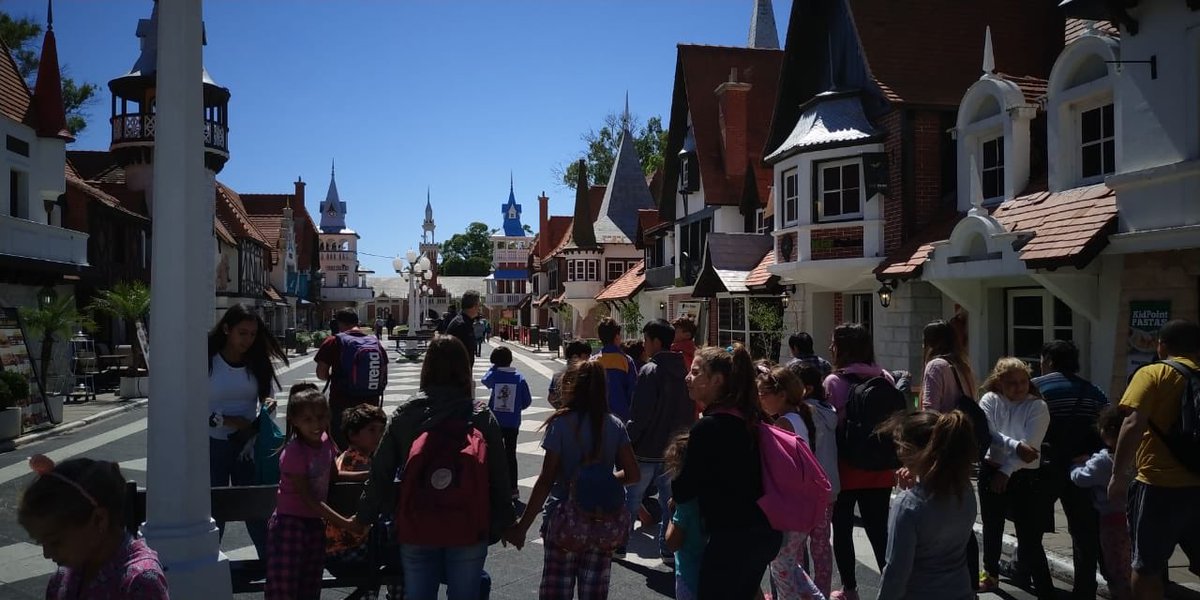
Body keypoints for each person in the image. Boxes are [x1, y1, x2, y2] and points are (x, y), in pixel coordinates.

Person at [354, 335, 514, 600]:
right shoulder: (481, 415)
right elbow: (500, 477)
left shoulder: (406, 414)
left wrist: (363, 518)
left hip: (417, 523)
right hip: (468, 523)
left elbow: (379, 474)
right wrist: (507, 523)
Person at [505, 359, 641, 598]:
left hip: (563, 520)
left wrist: (522, 527)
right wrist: (603, 481)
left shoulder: (561, 424)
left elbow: (546, 480)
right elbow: (633, 474)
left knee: (556, 590)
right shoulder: (614, 425)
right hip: (601, 521)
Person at [673, 345, 783, 599]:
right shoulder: (753, 420)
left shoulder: (708, 427)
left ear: (717, 380)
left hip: (731, 539)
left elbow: (683, 489)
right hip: (764, 533)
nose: (688, 377)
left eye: (696, 372)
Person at [1107, 319, 1200, 600]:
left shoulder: (1153, 373)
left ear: (1161, 345)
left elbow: (1132, 424)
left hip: (1158, 486)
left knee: (1147, 567)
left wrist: (1117, 475)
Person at [19, 455, 169, 599]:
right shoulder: (62, 578)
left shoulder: (139, 583)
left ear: (99, 519)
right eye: (41, 542)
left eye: (55, 541)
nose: (47, 553)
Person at [207, 303, 286, 557]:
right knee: (214, 507)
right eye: (243, 333)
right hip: (213, 443)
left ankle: (269, 562)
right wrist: (228, 421)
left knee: (256, 507)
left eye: (252, 334)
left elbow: (267, 398)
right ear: (227, 329)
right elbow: (190, 404)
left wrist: (267, 406)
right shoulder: (207, 360)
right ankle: (208, 560)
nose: (248, 340)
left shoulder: (258, 362)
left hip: (249, 444)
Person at [1032, 339, 1109, 599]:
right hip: (1081, 469)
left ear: (1049, 361)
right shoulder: (1093, 391)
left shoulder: (1037, 388)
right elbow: (1107, 425)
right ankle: (1084, 590)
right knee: (1084, 532)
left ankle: (1039, 583)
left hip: (1045, 467)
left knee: (1030, 527)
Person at [824, 323, 895, 600]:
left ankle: (850, 590)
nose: (830, 348)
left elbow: (831, 426)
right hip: (880, 467)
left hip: (846, 468)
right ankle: (891, 587)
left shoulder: (834, 382)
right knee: (880, 532)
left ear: (842, 348)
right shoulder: (885, 378)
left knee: (842, 531)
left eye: (834, 343)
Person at [875, 411, 979, 600]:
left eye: (900, 446)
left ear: (915, 451)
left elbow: (896, 573)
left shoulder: (908, 506)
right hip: (961, 591)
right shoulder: (965, 490)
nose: (898, 453)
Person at [267, 383, 354, 600]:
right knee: (284, 589)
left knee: (310, 586)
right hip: (290, 525)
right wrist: (346, 522)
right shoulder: (294, 452)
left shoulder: (326, 442)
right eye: (307, 419)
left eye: (321, 417)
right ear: (293, 421)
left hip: (314, 525)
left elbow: (333, 475)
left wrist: (367, 474)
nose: (316, 424)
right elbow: (310, 500)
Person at [977, 357, 1054, 599]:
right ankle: (990, 574)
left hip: (1025, 476)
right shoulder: (990, 400)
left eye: (1023, 381)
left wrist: (1006, 470)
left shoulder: (1037, 406)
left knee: (1029, 535)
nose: (1019, 387)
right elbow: (988, 432)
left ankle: (1044, 587)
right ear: (999, 382)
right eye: (1012, 383)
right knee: (992, 526)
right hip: (991, 468)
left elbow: (1031, 451)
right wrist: (1014, 445)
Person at [917, 319, 982, 590]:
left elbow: (930, 410)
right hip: (962, 444)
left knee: (938, 514)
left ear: (929, 342)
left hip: (941, 445)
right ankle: (969, 580)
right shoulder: (962, 366)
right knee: (960, 516)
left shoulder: (936, 366)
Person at [624, 318, 694, 563]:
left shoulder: (650, 370)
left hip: (646, 449)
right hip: (673, 450)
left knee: (631, 499)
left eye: (646, 340)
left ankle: (619, 544)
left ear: (655, 341)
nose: (644, 345)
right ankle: (666, 549)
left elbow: (640, 414)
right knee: (669, 503)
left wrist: (628, 440)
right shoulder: (685, 370)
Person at [757, 363, 824, 600]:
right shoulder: (798, 417)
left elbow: (778, 469)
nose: (759, 398)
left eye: (763, 393)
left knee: (782, 568)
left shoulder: (784, 424)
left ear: (781, 394)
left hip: (789, 506)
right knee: (790, 566)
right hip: (802, 503)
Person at [324, 403, 402, 600]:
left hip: (336, 550)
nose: (379, 435)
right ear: (353, 434)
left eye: (381, 430)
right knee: (404, 554)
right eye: (372, 430)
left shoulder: (344, 459)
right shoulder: (360, 463)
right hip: (356, 550)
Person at [1071, 405, 1132, 600]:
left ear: (1105, 431)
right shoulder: (1139, 457)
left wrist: (1075, 464)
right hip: (1134, 518)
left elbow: (1080, 478)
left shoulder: (1103, 461)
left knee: (1115, 566)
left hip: (1110, 520)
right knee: (1131, 564)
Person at [791, 362, 839, 597]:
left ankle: (804, 594)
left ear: (806, 388)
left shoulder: (801, 413)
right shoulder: (829, 409)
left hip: (806, 489)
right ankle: (822, 591)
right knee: (822, 547)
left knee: (796, 550)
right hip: (828, 488)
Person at [315, 307, 389, 449]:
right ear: (358, 322)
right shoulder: (375, 342)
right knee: (368, 449)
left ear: (339, 323)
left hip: (342, 405)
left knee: (341, 449)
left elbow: (321, 373)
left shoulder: (334, 341)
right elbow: (383, 373)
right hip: (371, 406)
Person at [481, 346, 533, 502]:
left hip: (494, 421)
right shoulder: (519, 378)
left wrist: (493, 368)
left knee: (492, 452)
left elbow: (485, 380)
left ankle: (492, 485)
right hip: (513, 422)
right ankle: (513, 488)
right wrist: (517, 408)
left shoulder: (495, 375)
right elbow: (527, 401)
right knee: (511, 454)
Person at [664, 432, 704, 600]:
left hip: (690, 578)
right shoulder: (723, 497)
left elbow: (672, 543)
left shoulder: (686, 506)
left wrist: (671, 515)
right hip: (721, 575)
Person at [594, 317, 638, 421]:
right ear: (617, 336)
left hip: (597, 416)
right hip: (621, 416)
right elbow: (633, 391)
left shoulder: (593, 362)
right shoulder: (626, 361)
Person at [548, 339, 592, 409]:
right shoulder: (586, 373)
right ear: (575, 357)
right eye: (587, 356)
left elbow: (551, 398)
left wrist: (561, 410)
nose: (589, 358)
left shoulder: (558, 374)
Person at [446, 291, 481, 367]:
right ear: (473, 306)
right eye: (478, 305)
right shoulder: (462, 325)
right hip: (458, 374)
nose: (479, 308)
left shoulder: (465, 322)